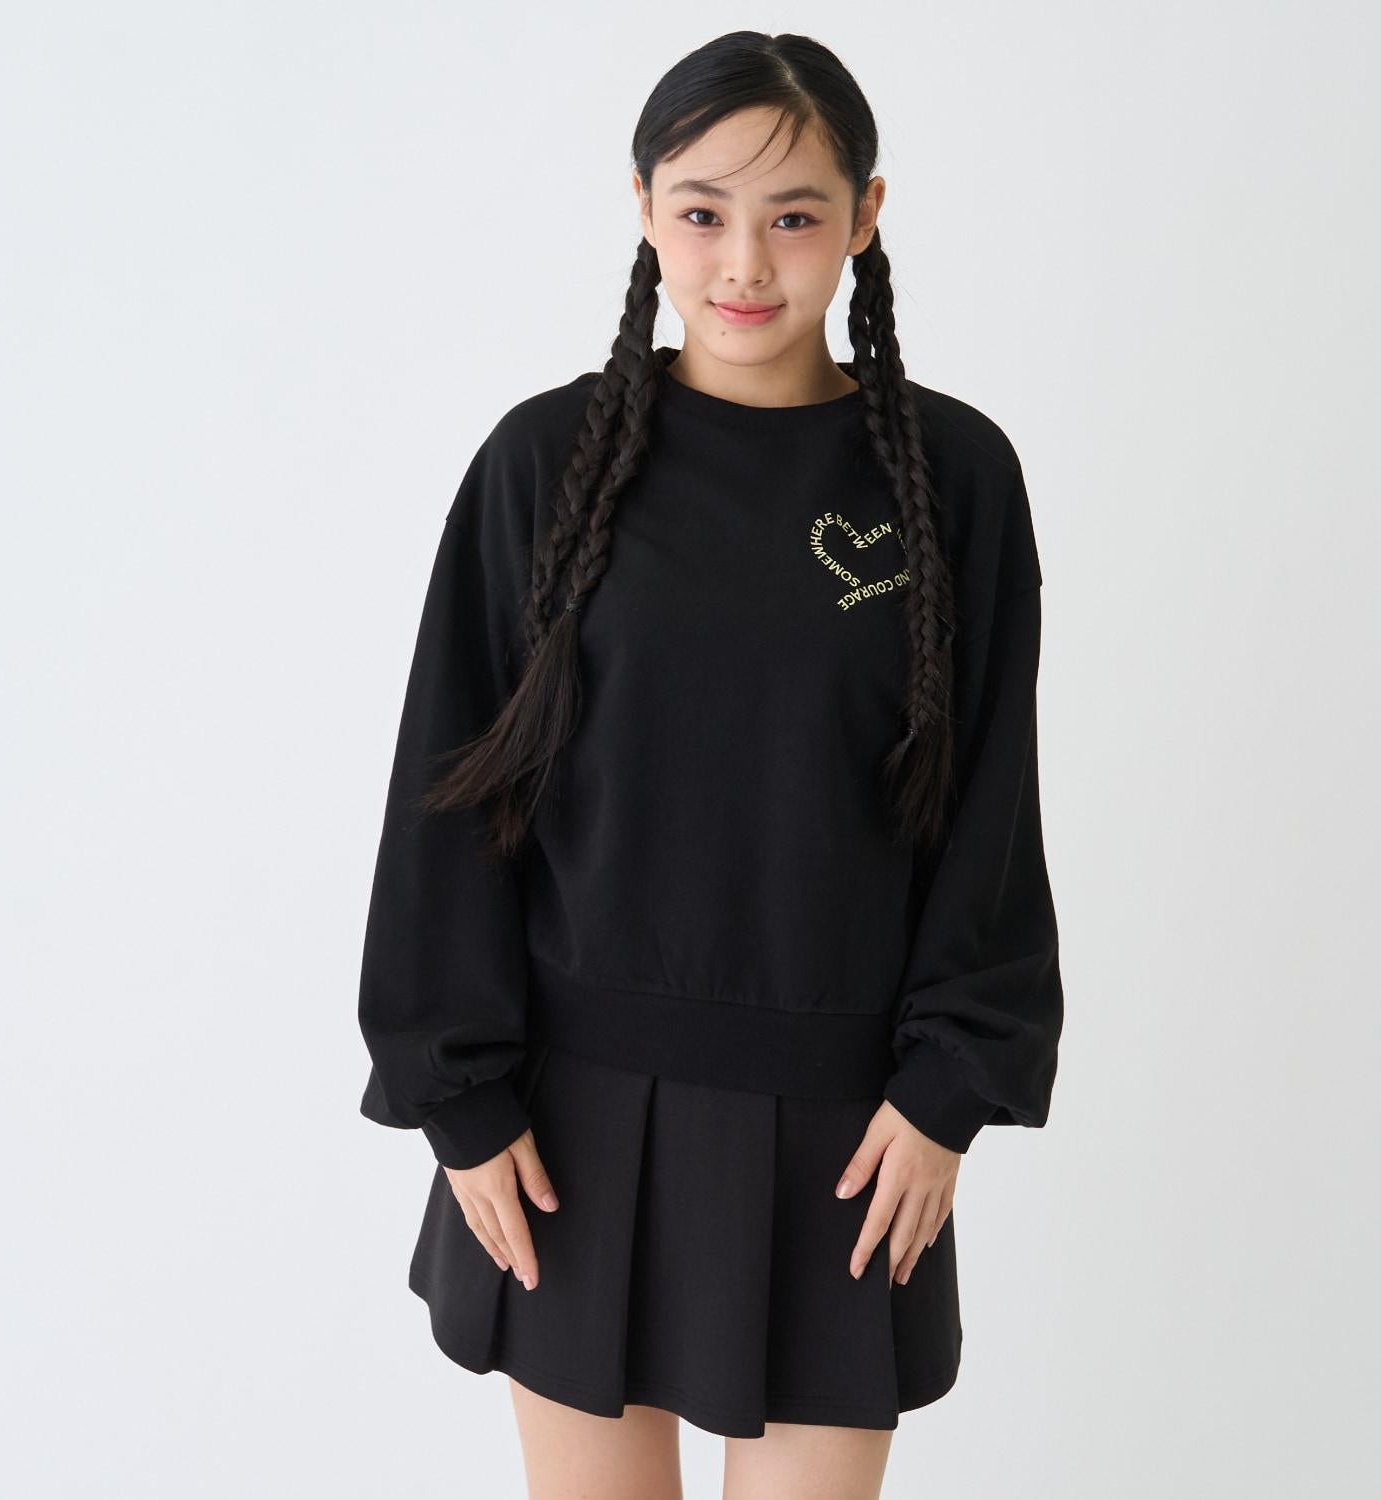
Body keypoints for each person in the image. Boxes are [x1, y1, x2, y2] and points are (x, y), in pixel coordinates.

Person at [356, 28, 1064, 1500]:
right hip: (566, 1128)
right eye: (702, 211)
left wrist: (950, 1088)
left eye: (794, 214)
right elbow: (450, 790)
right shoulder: (543, 466)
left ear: (865, 216)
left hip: (852, 1134)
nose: (745, 262)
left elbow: (992, 805)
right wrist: (459, 1098)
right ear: (643, 208)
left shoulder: (955, 481)